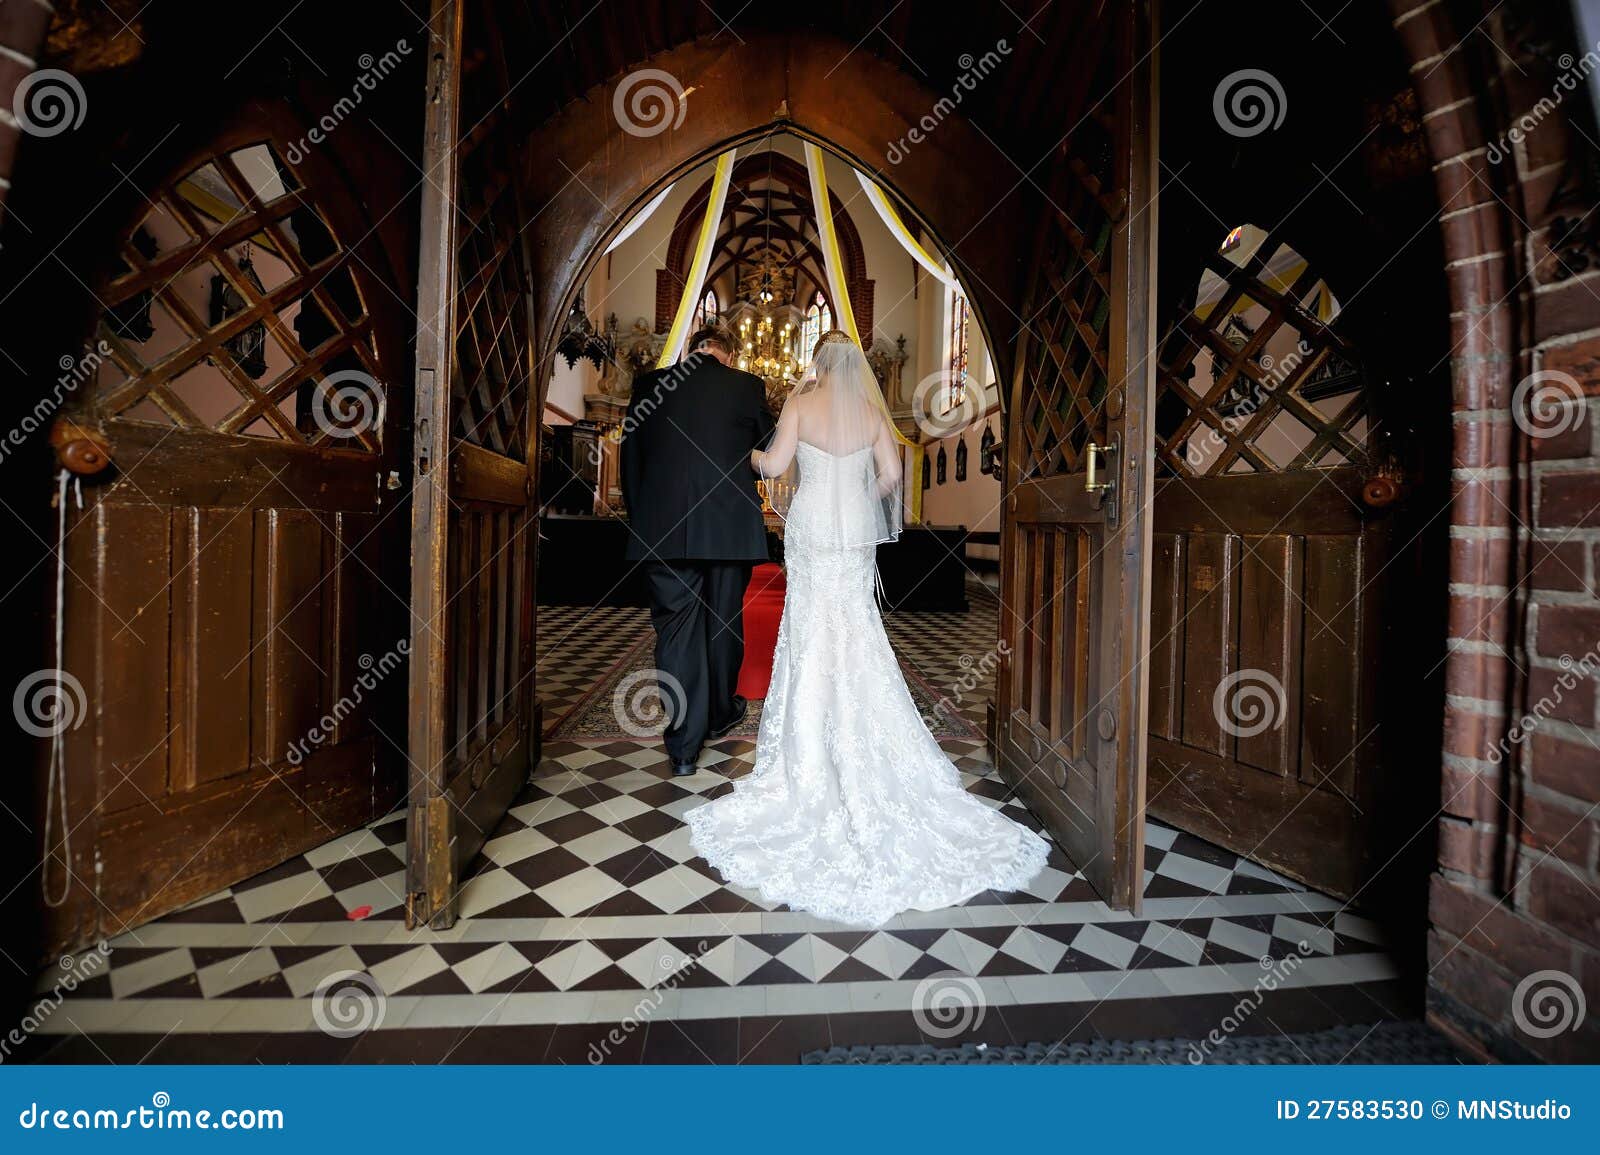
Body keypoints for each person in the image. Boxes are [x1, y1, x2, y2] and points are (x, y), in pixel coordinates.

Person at [685, 330, 1048, 926]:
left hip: (809, 530)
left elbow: (774, 466)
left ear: (816, 365)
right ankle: (868, 729)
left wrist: (744, 454)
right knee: (857, 628)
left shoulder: (802, 402)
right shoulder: (873, 411)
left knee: (809, 632)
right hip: (853, 529)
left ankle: (806, 751)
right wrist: (854, 490)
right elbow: (889, 477)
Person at [619, 325, 776, 776]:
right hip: (728, 528)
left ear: (692, 350)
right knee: (723, 622)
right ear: (727, 354)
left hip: (662, 529)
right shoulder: (746, 385)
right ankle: (722, 713)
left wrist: (642, 517)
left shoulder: (650, 385)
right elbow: (767, 452)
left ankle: (684, 749)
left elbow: (631, 460)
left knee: (675, 632)